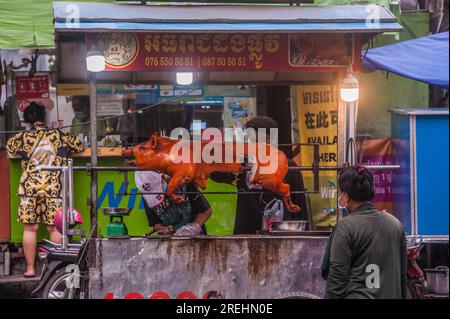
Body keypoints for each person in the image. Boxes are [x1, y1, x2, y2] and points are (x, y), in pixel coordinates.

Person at [6, 102, 84, 277]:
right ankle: (56, 270)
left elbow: (9, 147)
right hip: (53, 188)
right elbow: (79, 145)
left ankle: (30, 269)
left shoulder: (22, 138)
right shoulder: (59, 135)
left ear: (27, 120)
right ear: (44, 117)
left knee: (30, 229)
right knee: (54, 229)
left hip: (29, 188)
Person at [211, 116, 308, 234]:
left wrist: (303, 234)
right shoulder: (242, 164)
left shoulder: (288, 166)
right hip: (246, 231)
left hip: (279, 233)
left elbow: (299, 201)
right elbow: (215, 174)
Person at [321, 164, 407, 299]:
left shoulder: (345, 227)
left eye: (340, 192)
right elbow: (402, 277)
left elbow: (337, 279)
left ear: (346, 196)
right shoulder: (396, 224)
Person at [136, 170, 212, 236]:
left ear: (162, 178)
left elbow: (206, 211)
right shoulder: (148, 196)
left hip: (196, 238)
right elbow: (156, 224)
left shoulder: (184, 183)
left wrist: (193, 228)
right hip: (171, 242)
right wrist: (165, 229)